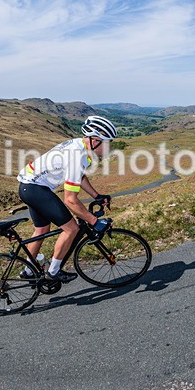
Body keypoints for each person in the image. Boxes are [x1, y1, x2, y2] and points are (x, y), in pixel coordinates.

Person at [16, 115, 117, 283]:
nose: (109, 147)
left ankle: (28, 271)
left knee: (41, 231)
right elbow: (70, 200)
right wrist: (94, 221)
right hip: (35, 189)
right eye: (106, 143)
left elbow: (80, 176)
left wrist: (96, 195)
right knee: (71, 229)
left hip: (29, 186)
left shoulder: (81, 146)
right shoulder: (76, 156)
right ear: (94, 140)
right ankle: (53, 272)